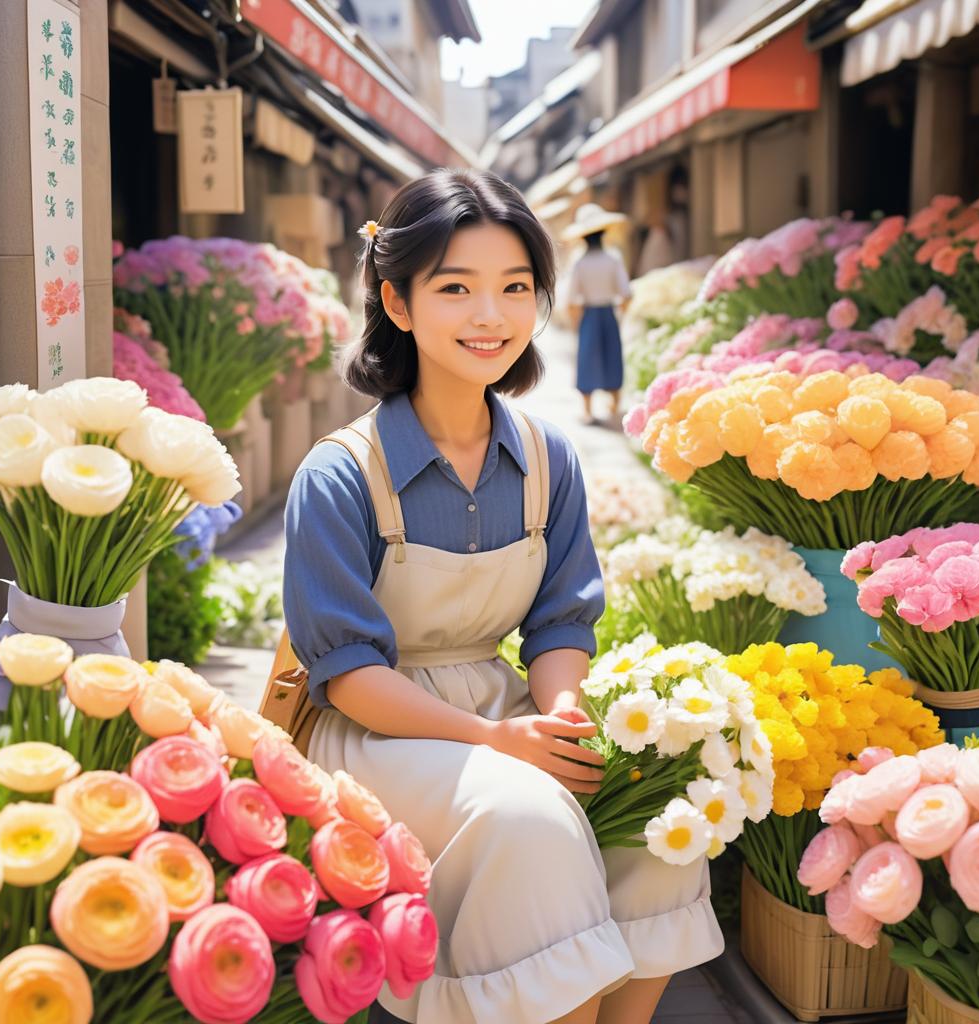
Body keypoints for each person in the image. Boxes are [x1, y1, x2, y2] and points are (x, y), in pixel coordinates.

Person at [281, 169, 723, 1024]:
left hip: (505, 703)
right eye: (456, 288)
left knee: (654, 814)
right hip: (377, 729)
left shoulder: (547, 456)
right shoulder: (341, 473)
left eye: (515, 288)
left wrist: (560, 720)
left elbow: (561, 619)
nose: (492, 316)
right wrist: (494, 740)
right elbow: (347, 676)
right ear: (398, 304)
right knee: (528, 817)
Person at [562, 204, 633, 425]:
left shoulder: (580, 263)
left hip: (589, 314)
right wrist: (621, 315)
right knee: (612, 356)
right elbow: (626, 293)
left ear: (583, 237)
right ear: (603, 233)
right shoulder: (613, 259)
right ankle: (614, 406)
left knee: (587, 359)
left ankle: (587, 410)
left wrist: (575, 321)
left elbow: (572, 298)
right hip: (608, 313)